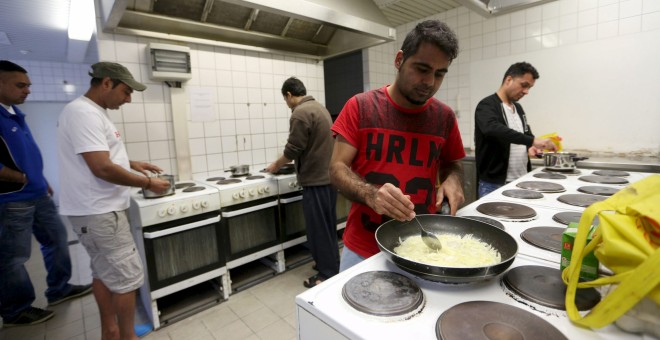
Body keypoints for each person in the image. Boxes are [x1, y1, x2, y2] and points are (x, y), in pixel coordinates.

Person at [329, 20, 466, 271]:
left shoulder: (444, 117)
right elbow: (337, 168)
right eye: (422, 69)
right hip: (363, 251)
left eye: (439, 74)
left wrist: (453, 178)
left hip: (423, 247)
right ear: (399, 59)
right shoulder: (360, 107)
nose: (429, 82)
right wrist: (371, 194)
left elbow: (452, 164)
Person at [57, 62, 170, 340]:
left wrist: (131, 162)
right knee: (127, 278)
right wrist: (147, 183)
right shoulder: (83, 113)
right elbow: (102, 167)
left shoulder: (92, 112)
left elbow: (99, 155)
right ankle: (127, 336)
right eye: (126, 91)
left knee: (103, 272)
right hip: (100, 213)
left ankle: (112, 331)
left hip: (97, 211)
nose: (129, 99)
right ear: (106, 83)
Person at [0, 60, 92, 328]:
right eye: (20, 85)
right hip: (12, 199)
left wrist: (41, 179)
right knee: (13, 257)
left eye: (28, 85)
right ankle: (17, 310)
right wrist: (18, 177)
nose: (27, 90)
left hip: (38, 193)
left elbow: (25, 154)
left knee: (57, 239)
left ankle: (59, 289)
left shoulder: (14, 112)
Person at [265, 77, 337, 288]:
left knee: (318, 229)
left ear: (289, 95)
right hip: (328, 178)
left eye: (285, 99)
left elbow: (293, 150)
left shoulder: (300, 113)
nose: (287, 104)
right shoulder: (319, 108)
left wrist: (276, 165)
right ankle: (331, 264)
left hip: (315, 180)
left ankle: (326, 274)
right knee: (327, 226)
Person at [474, 62, 557, 198]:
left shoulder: (518, 108)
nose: (526, 91)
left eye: (529, 87)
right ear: (509, 80)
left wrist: (530, 147)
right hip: (494, 184)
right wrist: (533, 141)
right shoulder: (487, 105)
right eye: (524, 85)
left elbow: (525, 134)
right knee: (492, 220)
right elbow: (493, 129)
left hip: (521, 180)